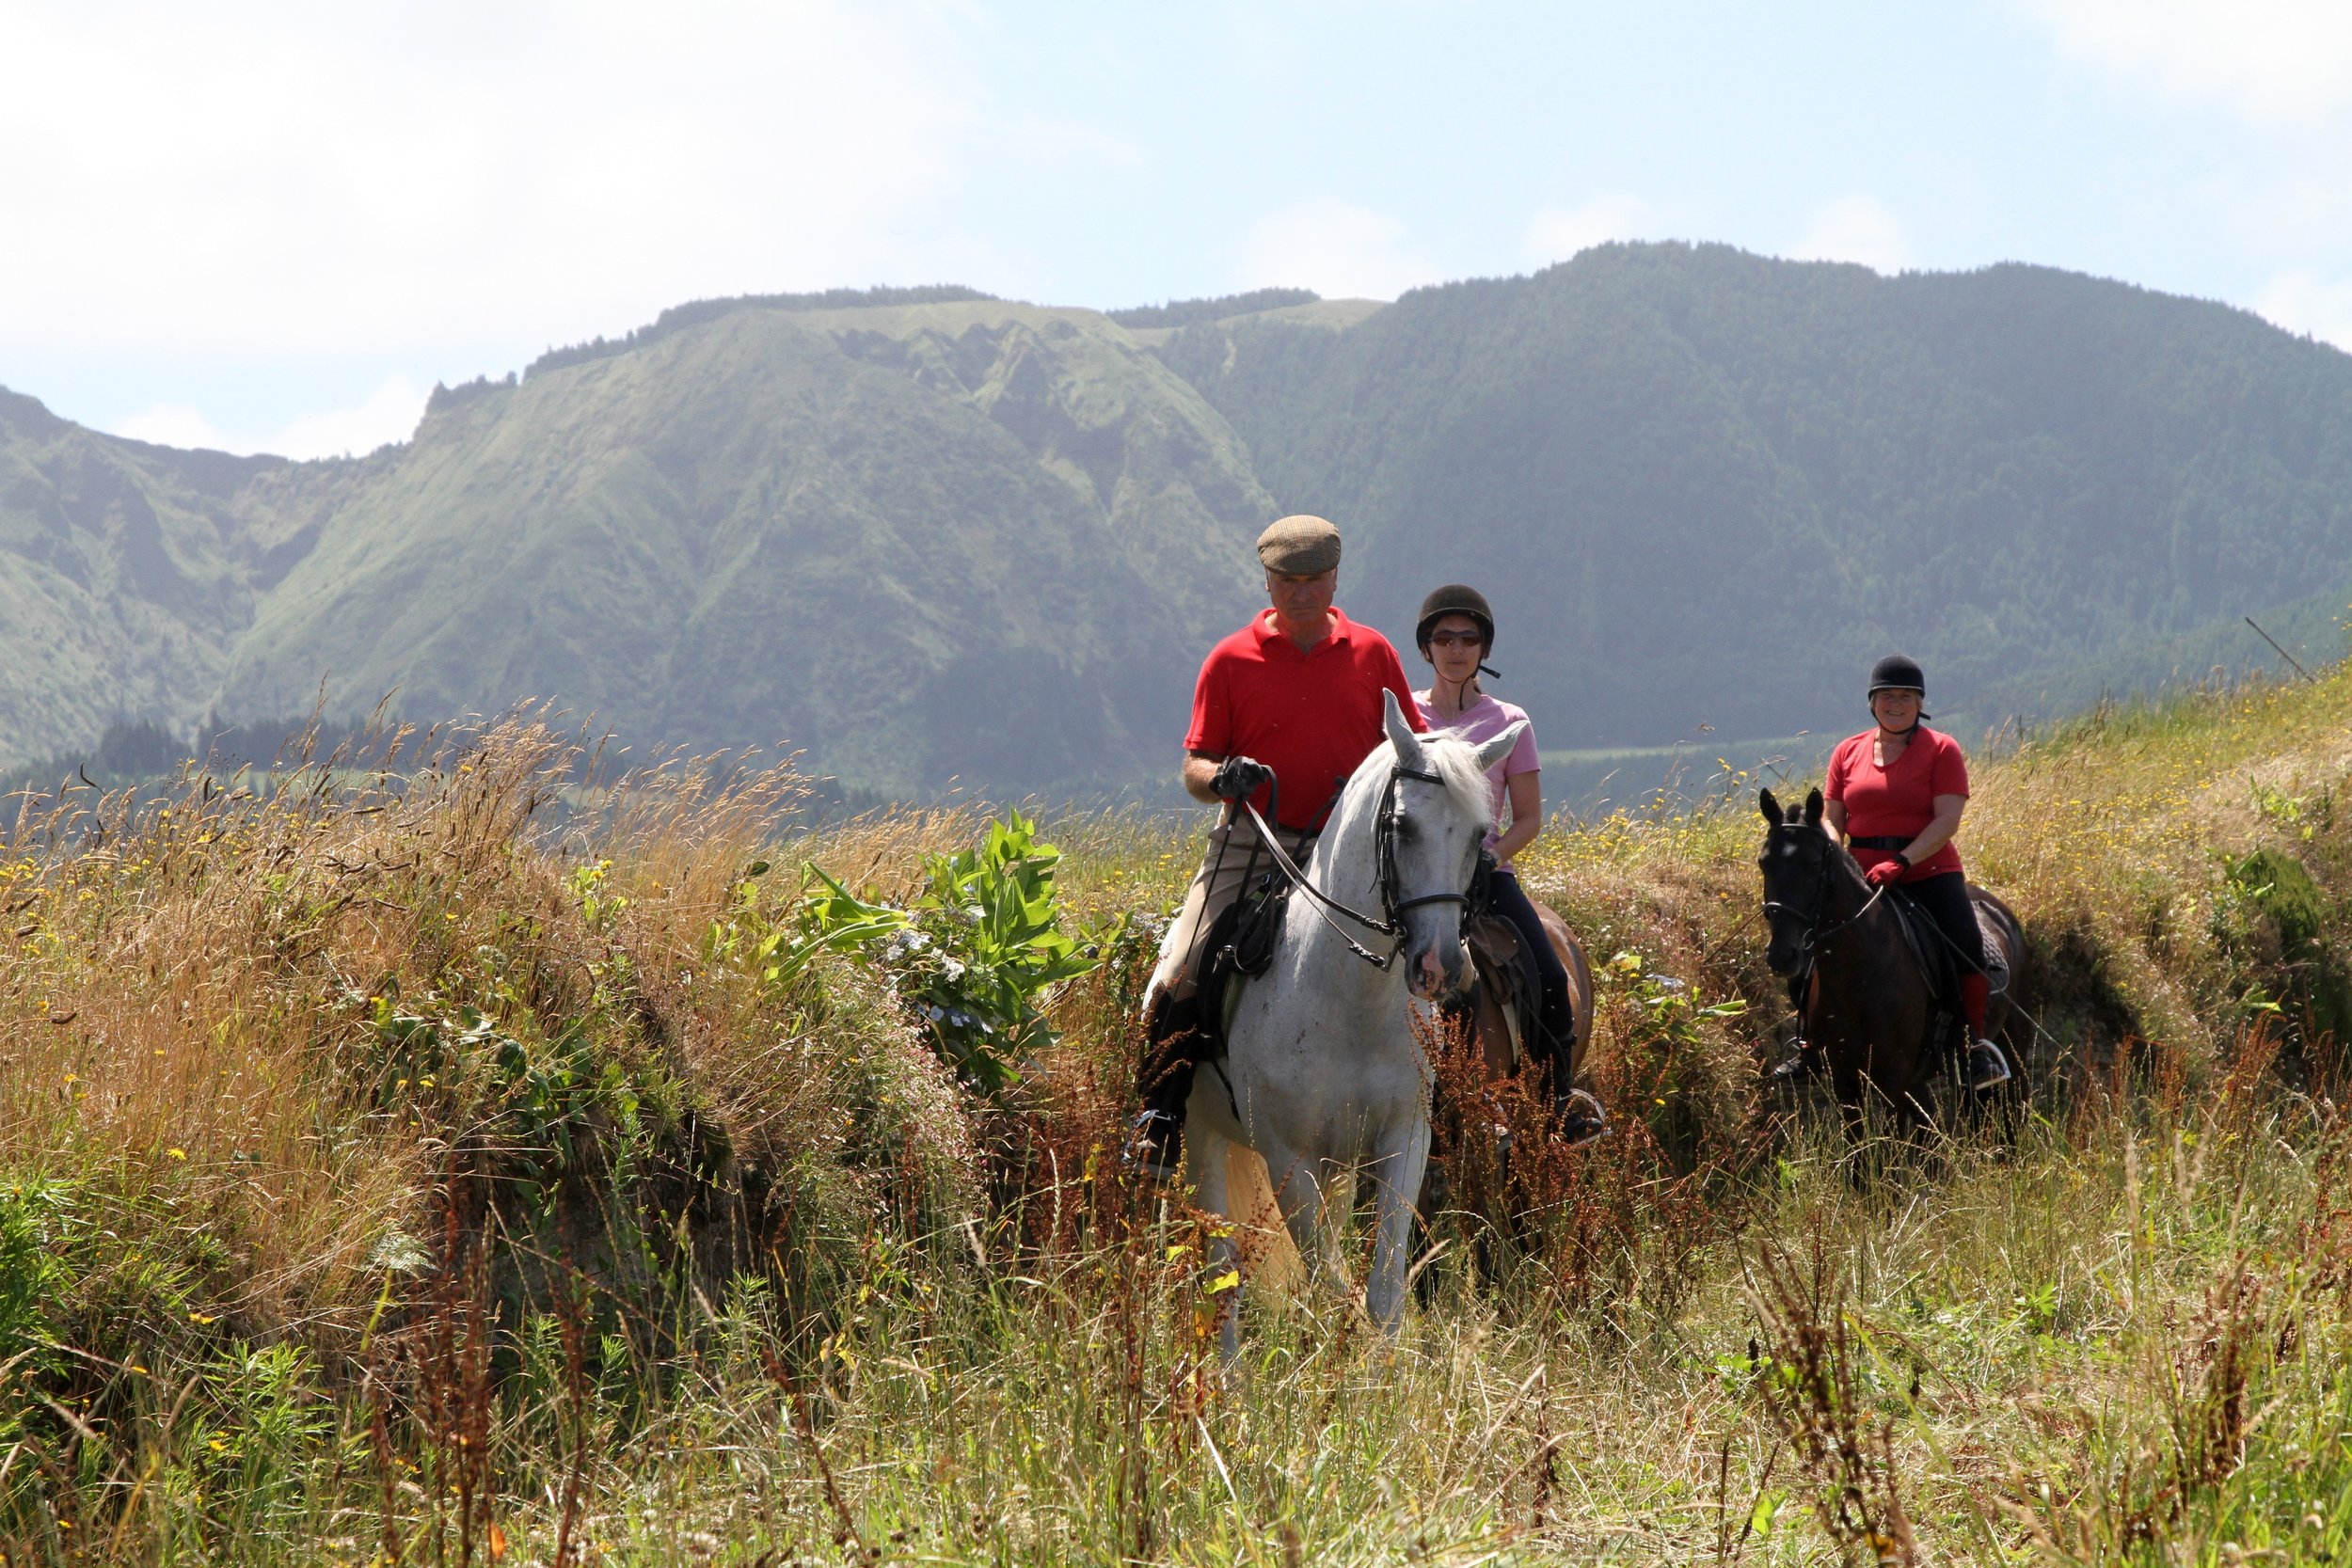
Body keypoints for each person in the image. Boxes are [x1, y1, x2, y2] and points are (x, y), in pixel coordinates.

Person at [1129, 514, 1425, 1180]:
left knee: (1438, 954)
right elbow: (1193, 765)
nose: (1301, 593)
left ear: (1335, 578)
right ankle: (1159, 1118)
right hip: (1251, 840)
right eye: (1287, 580)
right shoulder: (1229, 659)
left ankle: (1451, 1106)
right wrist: (1221, 776)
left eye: (1314, 579)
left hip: (1352, 849)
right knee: (1181, 966)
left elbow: (1413, 747)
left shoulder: (1374, 652)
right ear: (1267, 579)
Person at [1410, 584, 1599, 1136]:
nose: (1456, 648)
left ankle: (1557, 1100)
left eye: (1469, 638)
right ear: (1426, 648)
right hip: (1418, 879)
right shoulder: (1405, 717)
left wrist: (1486, 857)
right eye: (1443, 637)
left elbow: (1528, 819)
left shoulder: (1511, 720)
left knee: (1546, 977)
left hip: (1488, 878)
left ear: (1484, 650)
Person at [1792, 654, 2009, 1090]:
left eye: (1905, 696)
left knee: (1965, 943)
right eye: (1887, 695)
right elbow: (1832, 817)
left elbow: (1947, 820)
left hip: (1927, 870)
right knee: (1807, 941)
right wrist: (1840, 856)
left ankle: (1974, 1045)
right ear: (1872, 702)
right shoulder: (1847, 751)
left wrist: (1904, 860)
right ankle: (1807, 1046)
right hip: (1859, 875)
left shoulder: (1942, 749)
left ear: (1919, 703)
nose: (1896, 703)